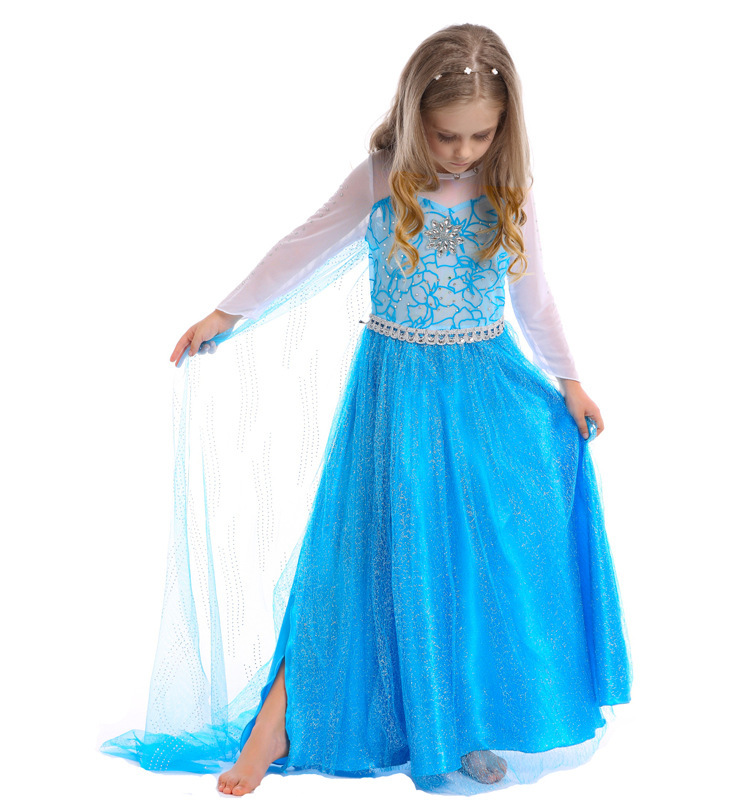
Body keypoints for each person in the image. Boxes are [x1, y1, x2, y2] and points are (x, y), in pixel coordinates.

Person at [100, 22, 633, 796]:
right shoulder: (385, 177)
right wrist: (226, 313)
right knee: (359, 556)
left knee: (471, 560)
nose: (462, 152)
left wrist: (569, 380)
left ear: (505, 127)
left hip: (483, 397)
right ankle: (276, 720)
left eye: (480, 136)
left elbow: (535, 299)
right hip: (396, 397)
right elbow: (305, 243)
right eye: (446, 136)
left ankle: (463, 724)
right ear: (416, 118)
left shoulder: (508, 193)